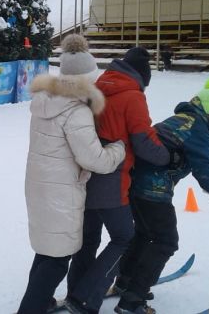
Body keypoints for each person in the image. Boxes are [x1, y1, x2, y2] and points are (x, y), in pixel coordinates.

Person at [113, 78, 209, 314]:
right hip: (153, 191)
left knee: (144, 234)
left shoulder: (181, 119)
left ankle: (125, 281)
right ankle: (132, 301)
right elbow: (207, 171)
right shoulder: (197, 129)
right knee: (165, 241)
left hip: (134, 184)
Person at [17, 35, 126, 314]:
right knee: (57, 259)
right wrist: (118, 149)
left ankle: (40, 302)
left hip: (40, 185)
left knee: (46, 251)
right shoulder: (76, 111)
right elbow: (94, 159)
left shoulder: (46, 101)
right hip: (61, 191)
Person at [65, 47, 170, 314]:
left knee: (88, 239)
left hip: (84, 174)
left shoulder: (100, 85)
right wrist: (167, 157)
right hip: (112, 179)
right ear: (141, 76)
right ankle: (85, 297)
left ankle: (76, 290)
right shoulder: (132, 96)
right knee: (124, 237)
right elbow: (143, 140)